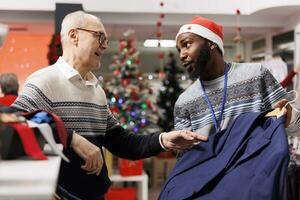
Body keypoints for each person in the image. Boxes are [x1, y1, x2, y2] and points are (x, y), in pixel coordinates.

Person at [11, 11, 207, 200]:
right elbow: (13, 122)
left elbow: (121, 142)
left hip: (96, 194)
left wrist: (164, 140)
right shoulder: (45, 82)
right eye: (100, 37)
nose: (104, 46)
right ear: (74, 35)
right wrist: (72, 139)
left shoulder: (96, 90)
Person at [174, 15, 297, 140]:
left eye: (187, 44)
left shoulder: (255, 75)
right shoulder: (184, 102)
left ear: (211, 43)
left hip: (257, 159)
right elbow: (185, 156)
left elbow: (295, 127)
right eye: (179, 50)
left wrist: (289, 117)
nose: (182, 55)